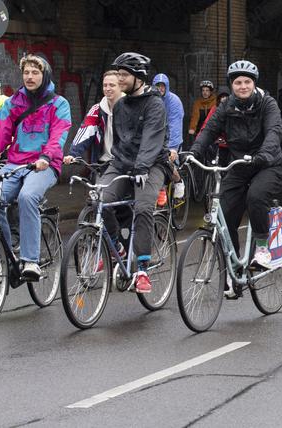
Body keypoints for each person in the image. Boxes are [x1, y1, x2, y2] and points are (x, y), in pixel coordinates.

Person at [190, 60, 282, 284]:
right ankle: (234, 271)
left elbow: (274, 131)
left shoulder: (267, 104)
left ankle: (262, 247)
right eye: (237, 82)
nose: (242, 86)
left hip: (268, 164)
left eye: (247, 82)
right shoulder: (226, 106)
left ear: (254, 83)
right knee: (225, 215)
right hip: (239, 166)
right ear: (231, 85)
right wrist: (194, 152)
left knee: (256, 197)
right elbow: (209, 130)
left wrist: (263, 154)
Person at [0, 54, 71, 281]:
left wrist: (47, 157)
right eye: (26, 73)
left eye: (35, 73)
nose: (29, 77)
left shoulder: (59, 103)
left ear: (44, 74)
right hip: (15, 163)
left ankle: (31, 261)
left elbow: (59, 135)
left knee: (27, 197)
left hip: (44, 165)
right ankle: (4, 255)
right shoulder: (13, 103)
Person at [98, 52, 169, 293]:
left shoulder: (155, 104)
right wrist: (111, 165)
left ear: (138, 77)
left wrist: (141, 166)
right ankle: (117, 245)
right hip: (123, 163)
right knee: (101, 199)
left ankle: (142, 270)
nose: (119, 80)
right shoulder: (120, 105)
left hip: (152, 165)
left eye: (124, 75)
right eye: (118, 74)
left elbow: (152, 140)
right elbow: (119, 141)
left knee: (142, 208)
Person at [66, 70, 125, 164]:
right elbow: (86, 129)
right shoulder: (98, 109)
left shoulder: (131, 107)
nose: (107, 88)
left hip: (127, 163)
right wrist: (73, 153)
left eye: (112, 85)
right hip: (103, 163)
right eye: (105, 85)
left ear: (121, 87)